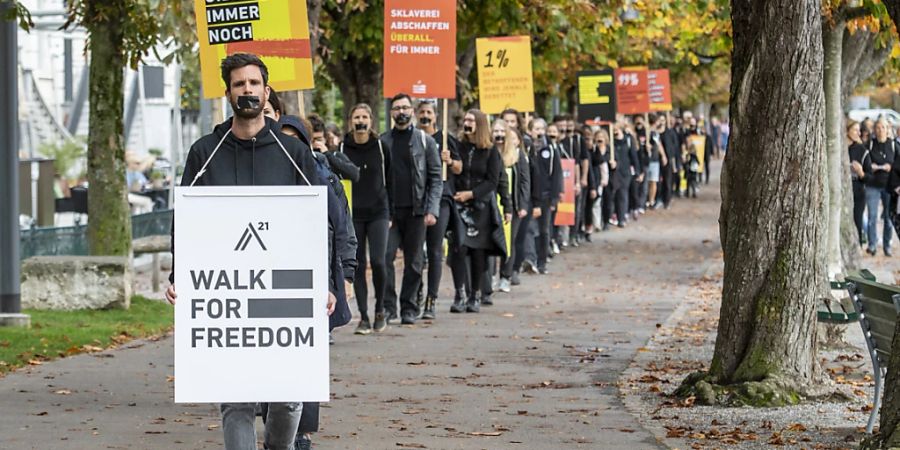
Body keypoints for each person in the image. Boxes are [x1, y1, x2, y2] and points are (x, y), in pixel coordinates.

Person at [164, 53, 346, 450]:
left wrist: (327, 283)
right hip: (228, 296)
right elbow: (187, 221)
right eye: (238, 84)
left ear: (266, 91)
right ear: (228, 92)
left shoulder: (294, 154)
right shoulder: (204, 152)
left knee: (289, 396)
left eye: (253, 83)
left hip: (284, 292)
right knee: (237, 401)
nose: (246, 90)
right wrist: (181, 275)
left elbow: (317, 224)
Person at [381, 93, 442, 325]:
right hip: (390, 214)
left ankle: (409, 307)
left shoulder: (425, 141)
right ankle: (388, 307)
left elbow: (436, 178)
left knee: (414, 263)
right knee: (384, 258)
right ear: (391, 113)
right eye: (397, 108)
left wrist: (431, 209)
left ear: (412, 112)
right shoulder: (383, 141)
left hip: (417, 211)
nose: (401, 112)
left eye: (405, 107)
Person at [340, 103, 392, 334]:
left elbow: (390, 179)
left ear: (371, 121)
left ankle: (380, 308)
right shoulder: (342, 146)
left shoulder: (381, 147)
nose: (360, 121)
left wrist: (391, 212)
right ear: (350, 121)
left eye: (364, 117)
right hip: (353, 214)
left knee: (379, 262)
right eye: (356, 117)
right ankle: (363, 316)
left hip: (379, 211)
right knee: (357, 264)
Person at [450, 109, 506, 313]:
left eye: (471, 120)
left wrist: (472, 194)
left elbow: (493, 181)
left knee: (477, 252)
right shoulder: (458, 146)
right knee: (459, 248)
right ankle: (459, 293)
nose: (467, 123)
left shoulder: (490, 151)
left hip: (479, 206)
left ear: (480, 124)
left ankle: (475, 294)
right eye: (465, 119)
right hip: (458, 205)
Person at [414, 100, 462, 319]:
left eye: (429, 113)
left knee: (434, 250)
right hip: (415, 200)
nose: (425, 116)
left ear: (435, 116)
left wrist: (449, 160)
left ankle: (431, 300)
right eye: (422, 112)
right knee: (415, 252)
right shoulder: (412, 138)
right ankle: (416, 291)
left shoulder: (445, 138)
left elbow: (460, 168)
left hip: (441, 199)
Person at [525, 118, 562, 274]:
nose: (539, 132)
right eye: (536, 129)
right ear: (530, 130)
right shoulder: (526, 148)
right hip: (529, 195)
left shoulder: (551, 150)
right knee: (529, 228)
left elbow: (556, 174)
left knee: (544, 229)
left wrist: (554, 197)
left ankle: (542, 261)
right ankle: (530, 259)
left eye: (542, 129)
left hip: (546, 195)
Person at [864, 118, 896, 256]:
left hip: (889, 186)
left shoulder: (893, 145)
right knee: (872, 217)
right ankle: (872, 245)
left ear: (887, 129)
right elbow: (866, 162)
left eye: (883, 127)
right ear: (874, 130)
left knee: (889, 218)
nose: (880, 130)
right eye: (877, 127)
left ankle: (887, 245)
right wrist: (872, 167)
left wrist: (891, 167)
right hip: (872, 185)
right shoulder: (870, 144)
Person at [609, 122, 639, 227]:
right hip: (613, 172)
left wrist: (637, 170)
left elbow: (634, 156)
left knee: (623, 193)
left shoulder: (628, 140)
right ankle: (613, 214)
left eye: (617, 129)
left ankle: (621, 217)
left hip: (625, 171)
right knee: (614, 194)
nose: (615, 131)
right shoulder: (610, 142)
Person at [848, 120, 868, 246]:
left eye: (859, 130)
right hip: (841, 190)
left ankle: (858, 245)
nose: (858, 133)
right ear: (846, 130)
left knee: (857, 220)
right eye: (855, 130)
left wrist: (861, 173)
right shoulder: (838, 149)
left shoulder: (861, 149)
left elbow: (869, 176)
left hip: (858, 189)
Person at [660, 114, 680, 208]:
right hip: (657, 160)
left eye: (663, 120)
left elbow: (674, 149)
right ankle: (659, 198)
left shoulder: (670, 133)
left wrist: (674, 163)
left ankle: (666, 200)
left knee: (668, 181)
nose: (661, 122)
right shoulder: (655, 133)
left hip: (668, 161)